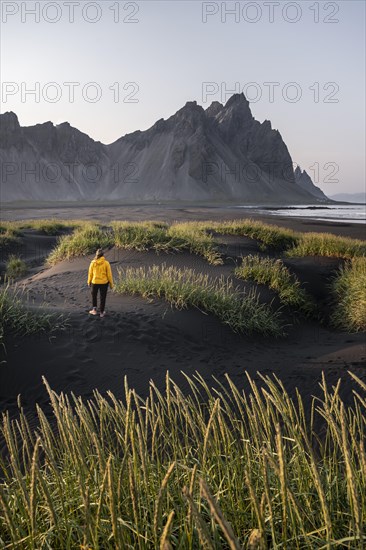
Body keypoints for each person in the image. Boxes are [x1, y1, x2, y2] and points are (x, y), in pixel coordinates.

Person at [88, 249, 114, 318]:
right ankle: (102, 313)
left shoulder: (92, 263)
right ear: (103, 255)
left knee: (94, 296)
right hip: (104, 283)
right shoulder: (106, 263)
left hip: (94, 282)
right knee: (103, 297)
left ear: (96, 255)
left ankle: (94, 310)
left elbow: (90, 274)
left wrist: (89, 281)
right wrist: (111, 284)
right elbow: (109, 275)